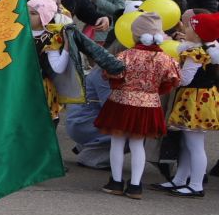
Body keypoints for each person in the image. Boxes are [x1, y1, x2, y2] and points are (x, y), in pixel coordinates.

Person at [96, 11, 178, 198]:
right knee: (137, 143)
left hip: (122, 102)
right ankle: (135, 186)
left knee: (117, 141)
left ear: (136, 34)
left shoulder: (126, 55)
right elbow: (171, 80)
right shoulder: (166, 59)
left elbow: (110, 74)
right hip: (149, 105)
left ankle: (116, 182)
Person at [154, 13, 219, 198]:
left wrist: (170, 72)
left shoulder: (195, 54)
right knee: (187, 143)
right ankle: (181, 179)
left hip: (195, 101)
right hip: (198, 99)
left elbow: (185, 79)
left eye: (190, 27)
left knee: (194, 144)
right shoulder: (207, 49)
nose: (185, 29)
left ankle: (196, 184)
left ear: (198, 35)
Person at [64, 69, 114, 168]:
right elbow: (112, 108)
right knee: (136, 132)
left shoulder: (103, 69)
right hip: (82, 122)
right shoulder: (105, 73)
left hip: (81, 118)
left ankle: (85, 145)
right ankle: (91, 157)